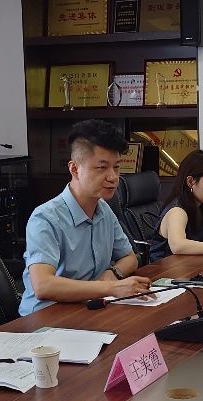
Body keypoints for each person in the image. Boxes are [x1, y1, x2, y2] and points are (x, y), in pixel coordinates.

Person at [19, 120, 150, 315]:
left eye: (116, 167)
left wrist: (113, 272)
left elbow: (130, 258)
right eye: (101, 168)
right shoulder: (45, 218)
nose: (113, 177)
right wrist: (110, 287)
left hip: (87, 309)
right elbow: (43, 286)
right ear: (74, 169)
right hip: (46, 317)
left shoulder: (104, 210)